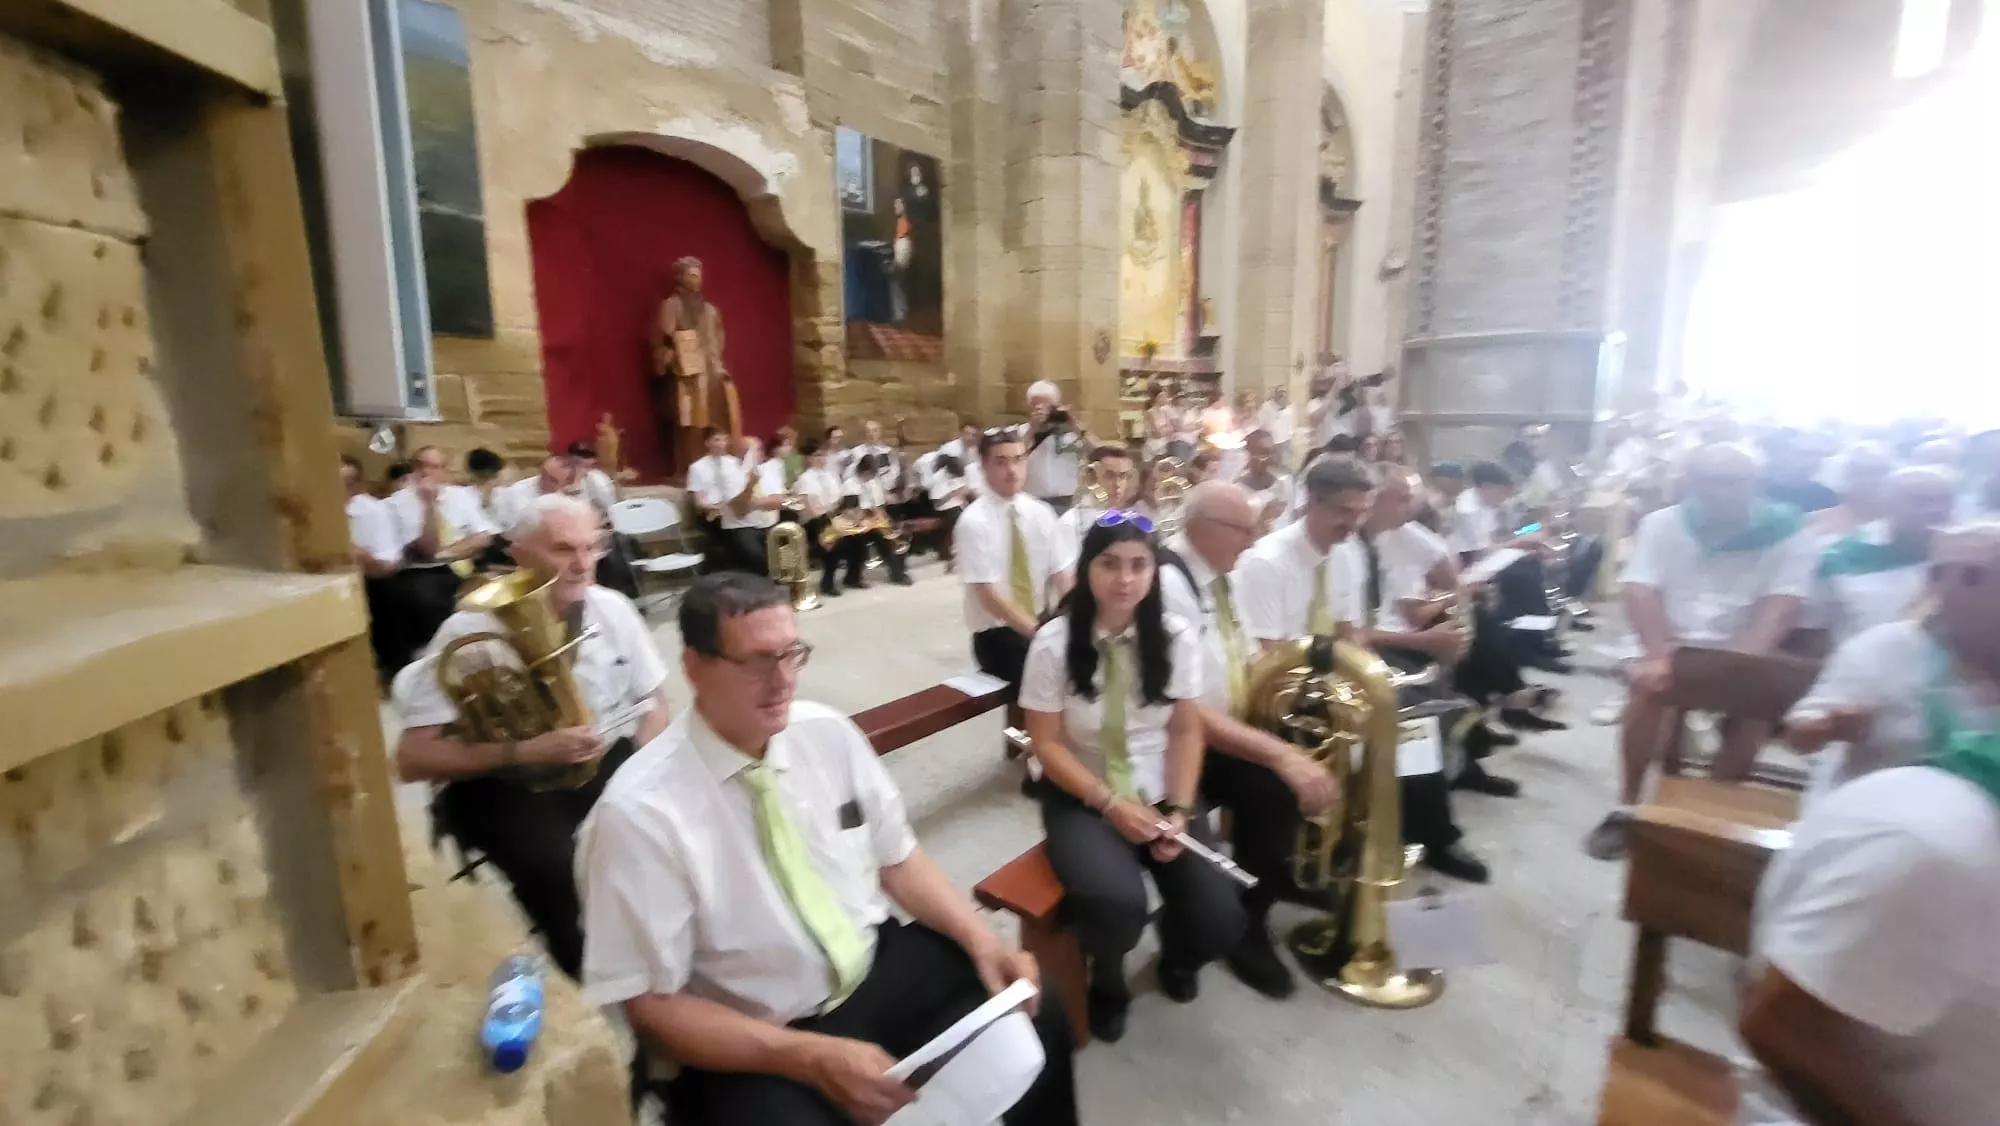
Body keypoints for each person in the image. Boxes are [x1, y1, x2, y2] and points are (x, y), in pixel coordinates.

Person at [578, 574, 1078, 1125]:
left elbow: (898, 859)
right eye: (755, 661)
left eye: (792, 654)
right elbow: (651, 1008)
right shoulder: (637, 814)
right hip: (761, 1030)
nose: (781, 681)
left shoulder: (826, 734)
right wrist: (808, 1058)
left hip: (876, 963)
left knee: (1035, 1010)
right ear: (694, 667)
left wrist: (983, 941)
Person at [1739, 531, 2000, 1125]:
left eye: (1978, 576)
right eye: (1952, 574)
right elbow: (1799, 730)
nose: (1956, 589)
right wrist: (1832, 723)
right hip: (1868, 830)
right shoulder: (1887, 652)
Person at [394, 494, 671, 979]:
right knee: (558, 869)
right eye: (564, 550)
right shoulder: (469, 629)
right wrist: (527, 748)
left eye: (593, 548)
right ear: (517, 553)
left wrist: (648, 777)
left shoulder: (613, 609)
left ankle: (664, 953)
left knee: (664, 833)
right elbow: (412, 758)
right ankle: (600, 981)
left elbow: (655, 705)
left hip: (599, 757)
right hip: (503, 779)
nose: (583, 565)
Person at [1020, 515, 1246, 1042]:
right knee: (1116, 904)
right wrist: (1108, 804)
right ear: (1086, 569)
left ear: (1155, 573)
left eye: (1139, 565)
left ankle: (1179, 953)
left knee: (1220, 917)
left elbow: (1187, 730)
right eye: (1109, 564)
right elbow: (1047, 744)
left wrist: (1180, 810)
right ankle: (1109, 979)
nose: (1125, 580)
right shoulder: (1053, 643)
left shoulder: (1174, 634)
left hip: (1162, 786)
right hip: (1083, 789)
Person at [1235, 457, 1491, 883]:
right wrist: (1347, 692)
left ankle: (1432, 835)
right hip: (1286, 692)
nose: (1352, 524)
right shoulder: (1266, 562)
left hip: (1332, 674)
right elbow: (1269, 661)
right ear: (1313, 502)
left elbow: (1349, 633)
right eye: (1342, 512)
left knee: (1413, 715)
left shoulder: (1347, 553)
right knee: (1392, 717)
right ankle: (1357, 841)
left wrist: (1370, 680)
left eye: (1360, 512)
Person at [1584, 443, 1820, 861]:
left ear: (1755, 484)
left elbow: (1780, 606)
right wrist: (1659, 653)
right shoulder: (1664, 524)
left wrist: (1737, 665)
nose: (1721, 492)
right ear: (1690, 485)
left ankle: (1710, 808)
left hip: (1744, 645)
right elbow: (1641, 588)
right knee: (1647, 688)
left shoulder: (1790, 534)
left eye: (1734, 482)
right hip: (1670, 640)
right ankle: (1628, 805)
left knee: (1754, 704)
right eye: (1709, 482)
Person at [1157, 482, 1339, 998]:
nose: (1254, 537)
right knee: (1275, 784)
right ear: (1205, 529)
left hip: (1225, 725)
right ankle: (1210, 937)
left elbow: (1244, 653)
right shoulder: (1170, 583)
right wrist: (1280, 752)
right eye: (1244, 528)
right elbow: (1186, 711)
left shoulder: (1220, 574)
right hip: (1179, 745)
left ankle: (1266, 881)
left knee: (1301, 768)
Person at [1784, 523, 2000, 807]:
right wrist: (1833, 726)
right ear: (1941, 584)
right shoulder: (1887, 648)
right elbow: (1801, 736)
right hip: (1876, 821)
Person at [955, 428, 1072, 690]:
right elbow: (990, 597)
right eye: (1001, 461)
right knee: (1053, 684)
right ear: (983, 467)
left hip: (1043, 620)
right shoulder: (973, 522)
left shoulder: (1040, 512)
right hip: (998, 635)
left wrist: (1080, 620)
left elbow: (1062, 575)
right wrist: (1041, 636)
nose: (1012, 470)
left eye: (1019, 459)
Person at [383, 445, 499, 671]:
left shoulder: (462, 496)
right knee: (425, 596)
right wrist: (428, 504)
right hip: (419, 573)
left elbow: (483, 536)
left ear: (444, 471)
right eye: (421, 466)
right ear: (413, 469)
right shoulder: (395, 503)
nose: (427, 472)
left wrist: (445, 553)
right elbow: (426, 550)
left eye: (434, 467)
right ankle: (439, 657)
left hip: (460, 564)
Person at [1813, 465, 1956, 643]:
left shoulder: (1972, 555)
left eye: (1945, 500)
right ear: (1887, 503)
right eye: (1921, 500)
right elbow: (1814, 628)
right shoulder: (1838, 555)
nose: (1936, 509)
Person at [688, 430, 782, 575]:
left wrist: (756, 503)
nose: (755, 455)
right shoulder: (729, 474)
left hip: (767, 524)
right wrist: (751, 485)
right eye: (748, 451)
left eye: (758, 450)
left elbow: (778, 502)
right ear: (739, 454)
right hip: (741, 526)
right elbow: (741, 511)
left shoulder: (768, 472)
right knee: (756, 556)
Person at [343, 455, 403, 677]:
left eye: (346, 483)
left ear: (356, 485)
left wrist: (357, 554)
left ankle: (389, 669)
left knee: (388, 593)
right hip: (333, 580)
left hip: (370, 580)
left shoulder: (373, 512)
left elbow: (388, 566)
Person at [794, 439, 861, 600]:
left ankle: (853, 576)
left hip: (834, 517)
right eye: (818, 455)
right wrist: (833, 516)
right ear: (809, 458)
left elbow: (839, 500)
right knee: (835, 543)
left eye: (824, 454)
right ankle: (827, 582)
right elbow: (813, 509)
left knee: (858, 538)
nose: (822, 458)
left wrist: (847, 514)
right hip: (815, 524)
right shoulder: (805, 479)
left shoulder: (830, 476)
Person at [1057, 444, 1141, 568]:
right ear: (1091, 477)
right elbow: (1066, 576)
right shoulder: (1071, 523)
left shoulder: (1131, 521)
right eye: (1110, 475)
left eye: (1122, 476)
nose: (1117, 484)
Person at [1805, 441, 1893, 539]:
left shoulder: (1901, 524)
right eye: (1861, 473)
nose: (1870, 480)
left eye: (1878, 473)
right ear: (1847, 476)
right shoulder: (1814, 520)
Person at [1024, 381, 1086, 512]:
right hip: (1032, 501)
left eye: (1050, 407)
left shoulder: (1072, 433)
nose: (1046, 412)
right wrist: (1032, 429)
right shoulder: (1021, 433)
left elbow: (1099, 454)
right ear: (1030, 408)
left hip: (1067, 500)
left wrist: (1075, 425)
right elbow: (1012, 455)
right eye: (1038, 407)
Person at [1236, 428, 1293, 533]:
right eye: (1264, 453)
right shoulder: (1238, 491)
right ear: (1249, 455)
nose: (1271, 459)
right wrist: (1263, 517)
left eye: (1273, 452)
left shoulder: (1285, 482)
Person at [566, 440, 619, 513]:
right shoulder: (560, 473)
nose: (579, 459)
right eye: (577, 455)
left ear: (594, 460)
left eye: (586, 456)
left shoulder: (597, 479)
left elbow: (610, 505)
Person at [1257, 387, 1295, 468]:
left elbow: (1290, 424)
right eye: (1281, 392)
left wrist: (1291, 438)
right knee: (1271, 466)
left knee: (1284, 465)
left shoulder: (1289, 407)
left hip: (1285, 441)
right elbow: (1259, 422)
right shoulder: (1266, 406)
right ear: (1276, 394)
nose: (1283, 395)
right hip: (1270, 442)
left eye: (1285, 392)